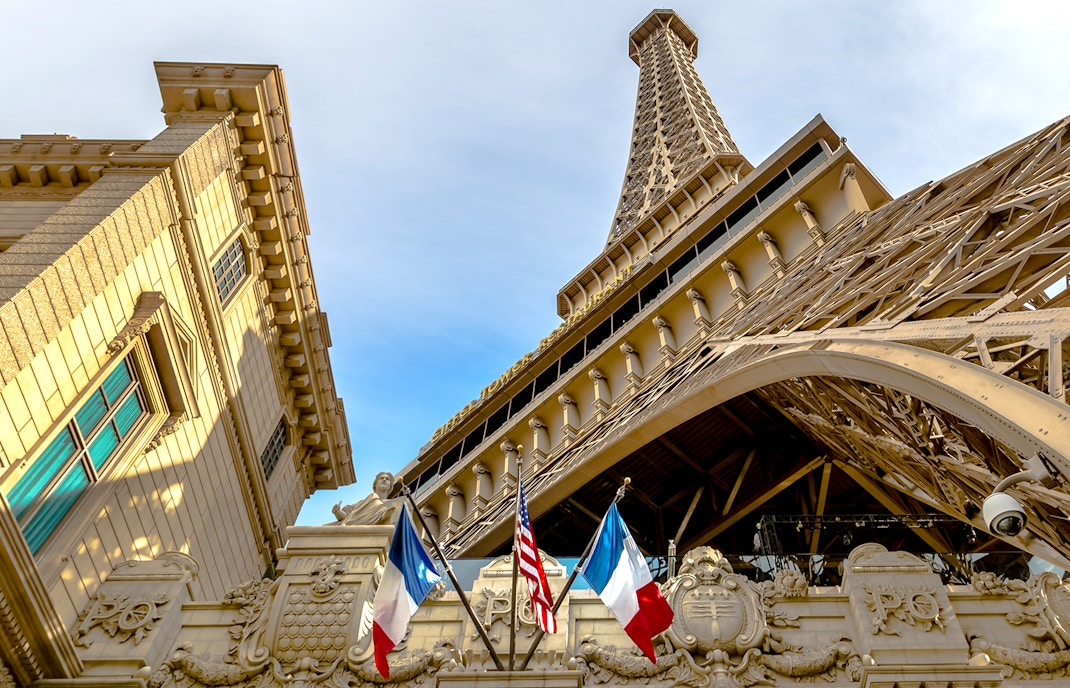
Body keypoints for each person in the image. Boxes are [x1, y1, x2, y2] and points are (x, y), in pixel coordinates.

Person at [331, 471, 400, 525]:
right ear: (375, 484)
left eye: (387, 479)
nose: (384, 480)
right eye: (381, 478)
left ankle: (380, 515)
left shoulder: (393, 505)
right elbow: (346, 518)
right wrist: (337, 511)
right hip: (357, 526)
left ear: (390, 487)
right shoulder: (362, 503)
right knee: (374, 496)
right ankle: (380, 514)